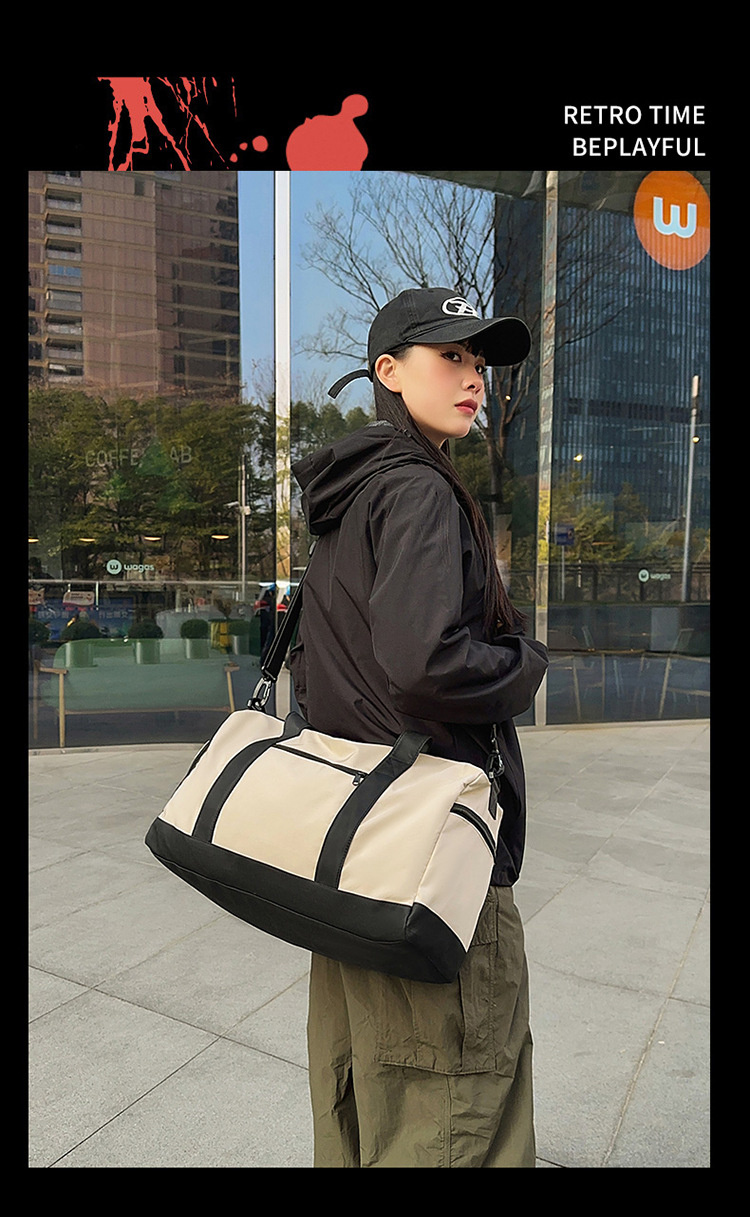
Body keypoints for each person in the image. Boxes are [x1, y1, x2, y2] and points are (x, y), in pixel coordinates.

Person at [289, 287, 549, 1169]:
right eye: (452, 356)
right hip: (433, 858)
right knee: (457, 1104)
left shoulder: (349, 493)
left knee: (360, 1094)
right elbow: (424, 663)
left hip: (355, 851)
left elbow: (326, 668)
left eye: (479, 360)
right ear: (390, 371)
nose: (474, 377)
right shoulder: (420, 490)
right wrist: (522, 663)